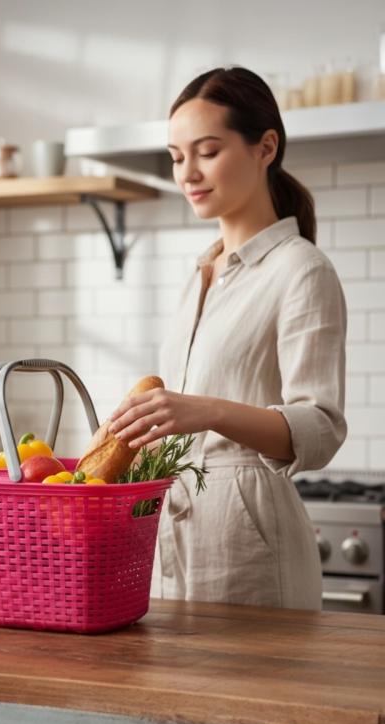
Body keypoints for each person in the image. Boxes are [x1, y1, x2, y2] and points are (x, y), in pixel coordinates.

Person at [108, 66, 347, 610]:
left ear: (266, 147)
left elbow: (321, 427)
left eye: (207, 151)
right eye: (175, 156)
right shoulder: (199, 274)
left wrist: (208, 411)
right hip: (171, 537)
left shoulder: (301, 270)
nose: (187, 173)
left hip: (250, 548)